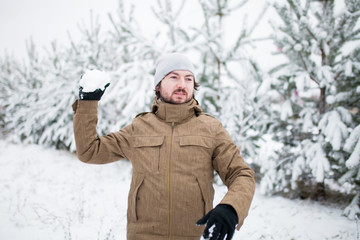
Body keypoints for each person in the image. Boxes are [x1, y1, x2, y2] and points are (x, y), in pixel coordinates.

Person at [72, 53, 255, 240]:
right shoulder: (139, 128)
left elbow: (241, 174)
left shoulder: (211, 129)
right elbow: (89, 152)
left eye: (188, 78)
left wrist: (231, 207)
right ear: (158, 84)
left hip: (195, 234)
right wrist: (87, 103)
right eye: (174, 77)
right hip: (143, 235)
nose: (182, 85)